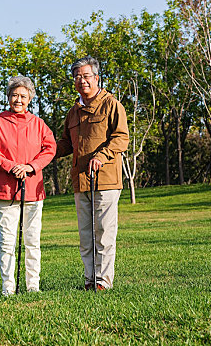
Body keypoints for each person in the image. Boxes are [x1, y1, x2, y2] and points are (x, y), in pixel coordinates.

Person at [56, 56, 129, 290]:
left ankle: (103, 282)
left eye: (86, 76)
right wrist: (42, 150)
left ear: (97, 78)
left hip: (106, 180)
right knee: (86, 237)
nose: (82, 80)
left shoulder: (112, 105)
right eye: (77, 77)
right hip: (81, 181)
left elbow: (121, 138)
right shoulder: (73, 112)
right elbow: (65, 144)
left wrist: (102, 156)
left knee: (104, 234)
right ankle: (89, 280)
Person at [0, 75, 56, 296]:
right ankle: (8, 287)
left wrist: (31, 167)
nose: (18, 99)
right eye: (14, 95)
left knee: (32, 240)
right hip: (5, 190)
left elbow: (49, 149)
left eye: (23, 96)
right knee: (7, 241)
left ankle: (33, 285)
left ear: (30, 99)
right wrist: (11, 166)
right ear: (8, 97)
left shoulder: (38, 124)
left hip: (33, 189)